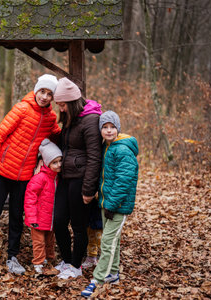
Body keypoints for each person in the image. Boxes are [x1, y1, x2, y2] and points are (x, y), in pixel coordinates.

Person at [0, 74, 61, 274]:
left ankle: (12, 257)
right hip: (2, 173)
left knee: (16, 217)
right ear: (36, 90)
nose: (45, 97)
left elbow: (56, 137)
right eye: (42, 91)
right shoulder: (21, 109)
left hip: (25, 178)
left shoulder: (50, 118)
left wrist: (42, 159)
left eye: (50, 94)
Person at [81, 111, 139, 297]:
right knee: (114, 240)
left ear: (118, 128)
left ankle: (97, 279)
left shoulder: (121, 149)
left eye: (112, 127)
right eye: (105, 127)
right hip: (107, 204)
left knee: (106, 242)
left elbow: (124, 180)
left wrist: (112, 205)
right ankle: (113, 274)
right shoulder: (108, 147)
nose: (108, 130)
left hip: (117, 206)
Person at [52, 77, 103, 279]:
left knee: (78, 225)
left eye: (63, 105)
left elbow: (94, 157)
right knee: (59, 221)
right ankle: (66, 261)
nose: (61, 109)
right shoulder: (70, 118)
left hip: (81, 179)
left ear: (72, 102)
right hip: (65, 177)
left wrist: (88, 190)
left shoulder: (91, 120)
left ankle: (75, 266)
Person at [24, 139, 62, 274]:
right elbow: (30, 198)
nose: (58, 165)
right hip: (38, 218)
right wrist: (32, 217)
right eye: (54, 162)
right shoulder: (40, 178)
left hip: (50, 218)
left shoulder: (57, 178)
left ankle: (49, 259)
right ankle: (38, 262)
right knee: (39, 242)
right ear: (46, 163)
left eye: (60, 161)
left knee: (50, 241)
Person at [81, 199, 103, 269]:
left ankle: (104, 259)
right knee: (90, 235)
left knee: (100, 237)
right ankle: (91, 257)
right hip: (88, 209)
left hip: (99, 209)